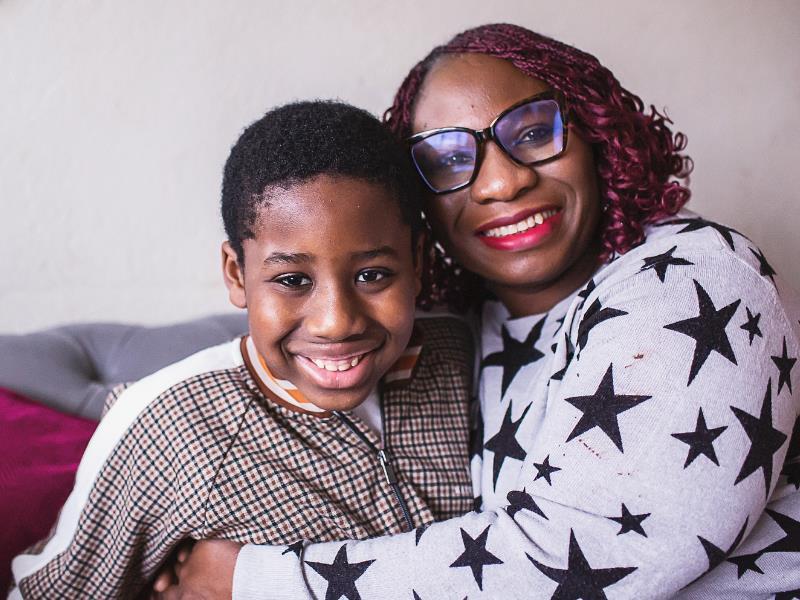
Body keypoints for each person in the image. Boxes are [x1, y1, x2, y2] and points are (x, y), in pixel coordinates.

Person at [159, 23, 800, 599]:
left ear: (596, 137)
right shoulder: (459, 333)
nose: (501, 182)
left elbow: (579, 552)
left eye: (533, 133)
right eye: (449, 159)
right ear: (418, 209)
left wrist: (254, 579)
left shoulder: (692, 275)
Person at [9, 101, 476, 599]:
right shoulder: (170, 426)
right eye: (293, 280)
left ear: (420, 261)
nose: (336, 320)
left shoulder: (464, 359)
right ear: (237, 274)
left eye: (372, 275)